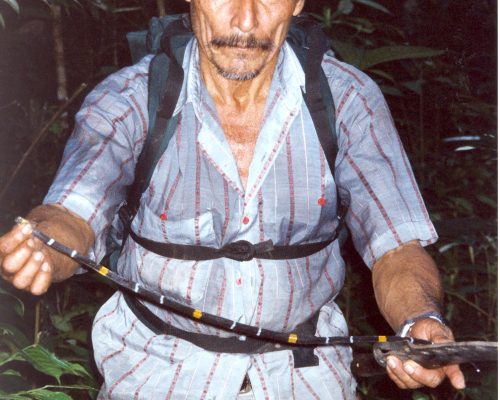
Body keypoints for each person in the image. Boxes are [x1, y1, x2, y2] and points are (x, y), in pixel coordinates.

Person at [0, 0, 465, 398]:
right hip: (156, 374)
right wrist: (42, 245)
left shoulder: (349, 100)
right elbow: (72, 214)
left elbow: (396, 246)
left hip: (304, 379)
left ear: (298, 3)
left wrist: (418, 321)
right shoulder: (128, 99)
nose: (244, 21)